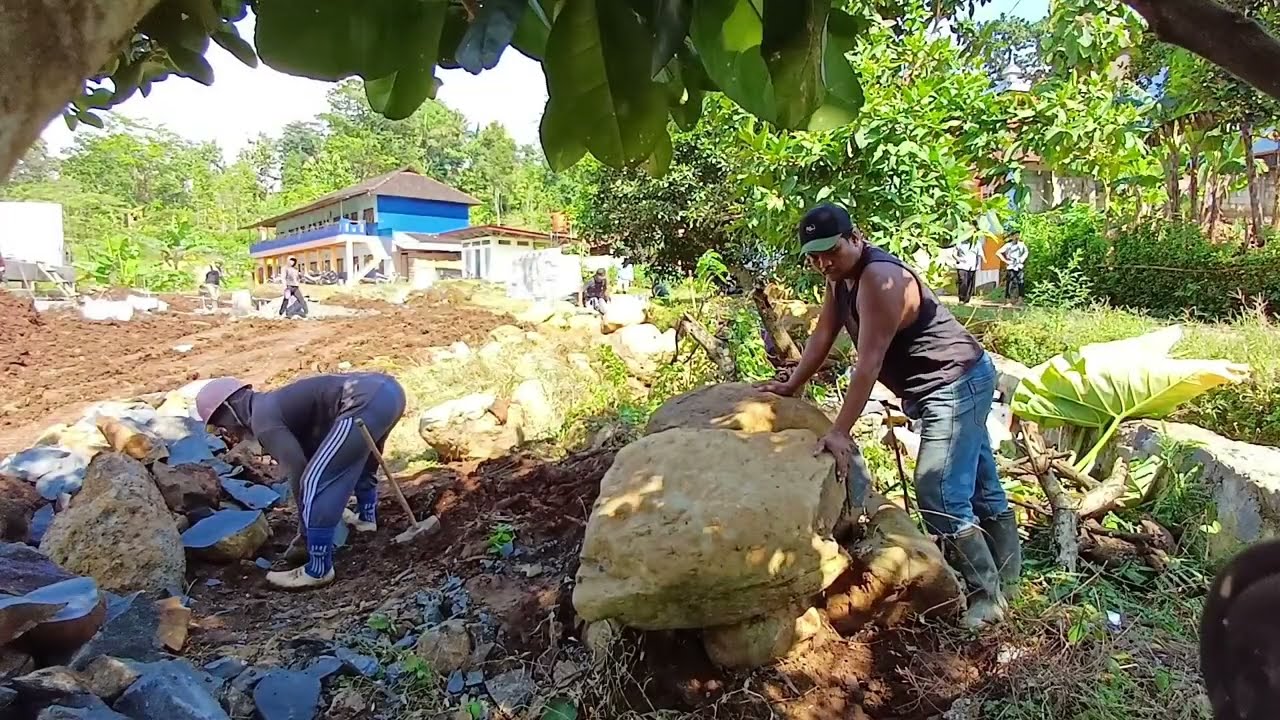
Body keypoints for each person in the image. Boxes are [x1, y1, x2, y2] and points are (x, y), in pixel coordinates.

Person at [756, 203, 1020, 629]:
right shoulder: (841, 278)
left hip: (954, 384)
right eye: (814, 255)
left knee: (938, 491)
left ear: (855, 237)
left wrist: (840, 432)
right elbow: (825, 332)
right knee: (981, 487)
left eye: (831, 251)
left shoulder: (880, 279)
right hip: (950, 383)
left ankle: (986, 598)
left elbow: (868, 364)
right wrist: (792, 385)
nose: (823, 262)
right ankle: (1007, 584)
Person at [194, 372, 407, 590]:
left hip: (364, 400)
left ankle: (318, 568)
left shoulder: (263, 421)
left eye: (218, 423)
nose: (224, 430)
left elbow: (299, 473)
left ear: (229, 409)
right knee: (360, 455)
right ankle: (366, 519)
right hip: (389, 391)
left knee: (315, 480)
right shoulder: (271, 404)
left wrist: (306, 534)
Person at [996, 232, 1029, 302]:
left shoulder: (1021, 245)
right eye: (1015, 236)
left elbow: (1026, 252)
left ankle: (1020, 299)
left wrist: (1022, 259)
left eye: (1018, 235)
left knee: (1021, 282)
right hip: (1011, 265)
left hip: (1019, 265)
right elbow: (998, 253)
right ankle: (1008, 299)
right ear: (1012, 237)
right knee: (1010, 282)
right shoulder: (1008, 245)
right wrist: (1005, 260)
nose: (1017, 237)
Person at [951, 233, 982, 304]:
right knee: (963, 282)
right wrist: (958, 259)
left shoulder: (977, 243)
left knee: (970, 284)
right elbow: (954, 253)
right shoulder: (960, 243)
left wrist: (978, 266)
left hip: (972, 267)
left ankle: (967, 300)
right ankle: (961, 299)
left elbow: (979, 255)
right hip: (962, 266)